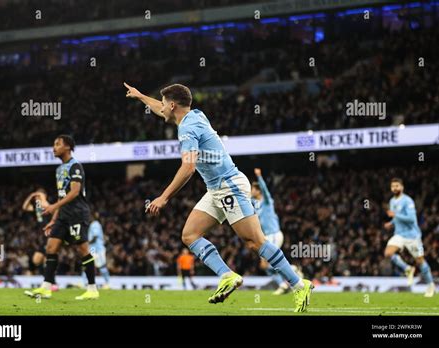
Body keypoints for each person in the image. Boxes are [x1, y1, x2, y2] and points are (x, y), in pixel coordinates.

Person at [125, 82, 313, 312]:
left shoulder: (187, 129)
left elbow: (188, 167)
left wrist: (164, 197)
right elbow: (160, 107)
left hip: (229, 186)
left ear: (173, 105)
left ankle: (298, 284)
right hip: (216, 188)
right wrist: (141, 96)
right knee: (190, 234)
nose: (161, 108)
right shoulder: (195, 115)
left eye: (164, 104)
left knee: (255, 241)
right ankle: (227, 275)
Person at [24, 135, 99, 300]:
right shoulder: (59, 170)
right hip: (63, 215)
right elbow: (61, 196)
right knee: (51, 247)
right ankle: (46, 287)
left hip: (77, 214)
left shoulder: (75, 166)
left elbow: (75, 192)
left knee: (83, 250)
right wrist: (53, 219)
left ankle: (92, 289)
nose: (53, 148)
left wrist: (53, 207)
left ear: (68, 147)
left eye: (57, 144)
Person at [384, 178, 435, 297]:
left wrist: (395, 215)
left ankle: (430, 285)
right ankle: (407, 269)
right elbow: (397, 218)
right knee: (388, 253)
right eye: (393, 186)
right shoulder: (392, 201)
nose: (395, 188)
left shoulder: (408, 201)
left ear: (402, 187)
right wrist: (391, 223)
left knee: (420, 261)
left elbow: (411, 219)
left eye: (397, 186)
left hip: (413, 236)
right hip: (399, 234)